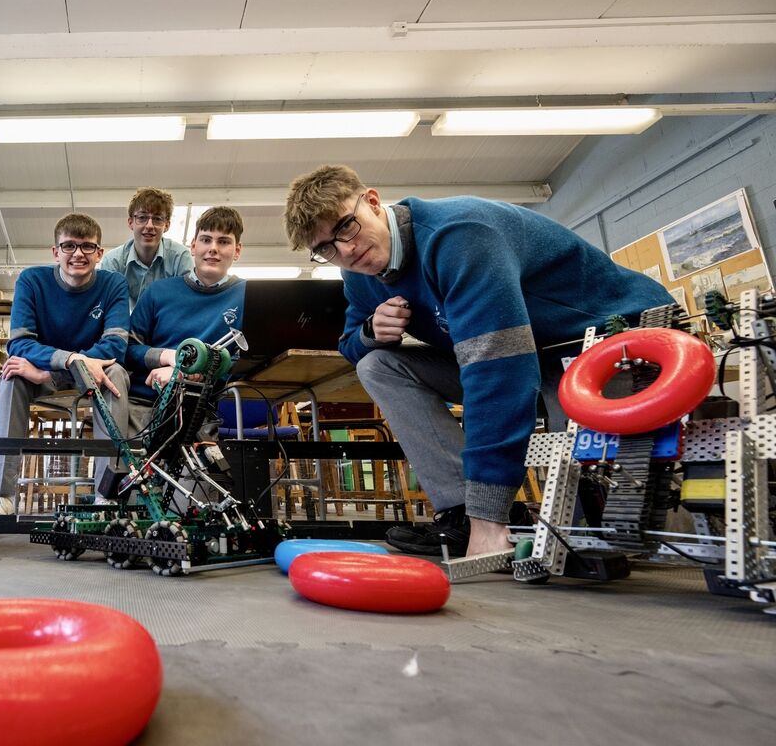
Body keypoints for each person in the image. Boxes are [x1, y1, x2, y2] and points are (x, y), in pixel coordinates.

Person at [282, 165, 673, 558]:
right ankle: (461, 514)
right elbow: (350, 344)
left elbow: (496, 371)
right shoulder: (360, 272)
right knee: (378, 365)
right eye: (327, 248)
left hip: (613, 337)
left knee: (596, 526)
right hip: (536, 353)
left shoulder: (459, 235)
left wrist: (493, 517)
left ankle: (502, 518)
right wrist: (371, 330)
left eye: (347, 227)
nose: (345, 250)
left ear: (371, 202)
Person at [0, 213, 131, 515]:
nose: (78, 254)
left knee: (117, 373)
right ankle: (3, 496)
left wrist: (50, 370)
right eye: (69, 246)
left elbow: (115, 347)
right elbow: (20, 343)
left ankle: (108, 495)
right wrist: (70, 359)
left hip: (82, 374)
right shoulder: (32, 280)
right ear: (55, 251)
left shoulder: (114, 285)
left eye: (87, 247)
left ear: (100, 253)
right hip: (51, 374)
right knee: (11, 376)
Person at [127, 206, 245, 400]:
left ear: (237, 250)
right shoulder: (158, 292)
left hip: (209, 407)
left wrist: (187, 373)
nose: (213, 248)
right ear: (193, 246)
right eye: (206, 240)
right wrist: (168, 357)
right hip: (146, 401)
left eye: (223, 242)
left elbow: (248, 363)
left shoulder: (249, 296)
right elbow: (129, 349)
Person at [100, 186, 193, 309]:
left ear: (167, 225)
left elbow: (185, 304)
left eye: (157, 219)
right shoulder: (113, 261)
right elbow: (109, 306)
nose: (149, 225)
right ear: (130, 222)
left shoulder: (180, 257)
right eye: (142, 218)